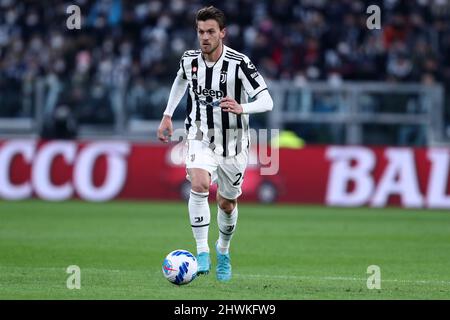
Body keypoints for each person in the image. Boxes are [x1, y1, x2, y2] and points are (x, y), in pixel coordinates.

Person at [157, 6, 273, 282]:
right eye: (200, 32)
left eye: (211, 32)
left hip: (234, 144)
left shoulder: (239, 63)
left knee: (226, 204)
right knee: (198, 184)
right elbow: (180, 81)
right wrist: (167, 115)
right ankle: (202, 252)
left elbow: (267, 101)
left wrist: (242, 108)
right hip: (199, 135)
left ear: (222, 33)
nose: (205, 37)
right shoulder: (189, 60)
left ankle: (223, 249)